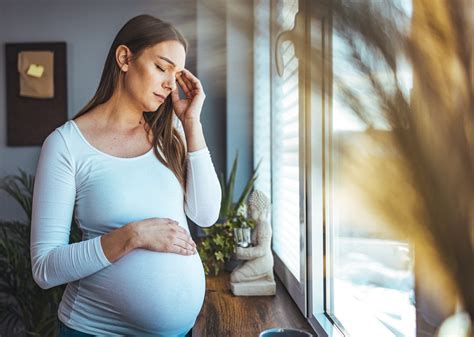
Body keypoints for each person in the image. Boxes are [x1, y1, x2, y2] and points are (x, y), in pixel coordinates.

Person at [30, 14, 221, 337]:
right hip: (94, 331)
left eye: (176, 75)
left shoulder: (170, 132)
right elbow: (45, 268)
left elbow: (206, 214)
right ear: (124, 59)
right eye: (162, 68)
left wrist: (192, 123)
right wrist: (131, 236)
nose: (170, 84)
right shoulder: (66, 145)